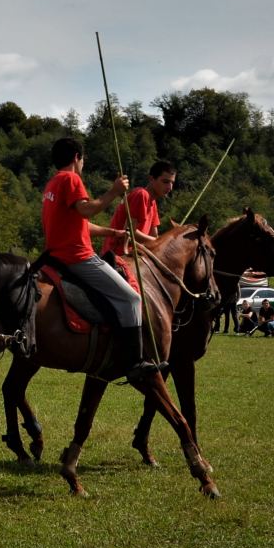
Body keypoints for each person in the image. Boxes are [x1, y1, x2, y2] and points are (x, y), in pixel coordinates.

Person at [40, 136, 159, 382]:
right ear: (76, 158)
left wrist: (112, 232)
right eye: (82, 160)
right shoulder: (72, 179)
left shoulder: (52, 183)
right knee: (131, 298)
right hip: (77, 257)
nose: (82, 164)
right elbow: (86, 209)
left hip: (54, 257)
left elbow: (79, 220)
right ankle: (134, 362)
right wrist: (114, 191)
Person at [101, 160, 177, 273]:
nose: (170, 187)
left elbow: (154, 236)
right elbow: (130, 232)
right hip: (119, 257)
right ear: (151, 179)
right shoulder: (141, 195)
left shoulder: (153, 202)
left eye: (172, 183)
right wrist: (161, 242)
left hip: (135, 258)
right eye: (165, 182)